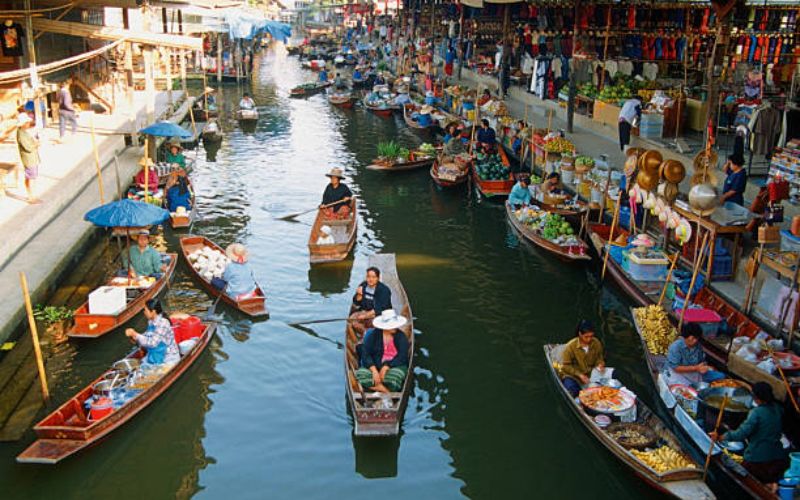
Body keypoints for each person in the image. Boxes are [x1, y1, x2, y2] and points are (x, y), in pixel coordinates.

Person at [709, 382, 788, 486]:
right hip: (778, 456)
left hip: (758, 459)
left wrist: (720, 437)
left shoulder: (756, 413)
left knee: (745, 478)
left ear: (756, 398)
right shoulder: (778, 409)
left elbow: (741, 434)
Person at [355, 309, 410, 393]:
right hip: (375, 365)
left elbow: (402, 356)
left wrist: (386, 367)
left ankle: (374, 386)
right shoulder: (373, 335)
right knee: (360, 374)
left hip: (394, 366)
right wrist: (374, 370)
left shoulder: (401, 337)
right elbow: (366, 354)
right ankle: (385, 390)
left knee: (395, 378)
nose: (394, 327)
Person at [125, 299, 180, 366]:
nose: (144, 312)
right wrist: (135, 337)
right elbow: (147, 337)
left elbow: (153, 343)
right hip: (155, 355)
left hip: (168, 358)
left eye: (145, 310)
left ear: (153, 312)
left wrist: (136, 334)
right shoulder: (151, 322)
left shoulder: (163, 323)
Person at [559, 320, 605, 397]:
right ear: (580, 334)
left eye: (591, 336)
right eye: (586, 337)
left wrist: (600, 364)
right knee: (573, 390)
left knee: (616, 374)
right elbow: (566, 366)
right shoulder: (570, 347)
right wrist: (580, 375)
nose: (589, 339)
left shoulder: (596, 342)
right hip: (574, 376)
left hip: (591, 373)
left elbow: (599, 357)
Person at [350, 266, 393, 336]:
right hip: (365, 311)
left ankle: (370, 334)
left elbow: (380, 308)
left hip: (380, 314)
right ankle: (366, 333)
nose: (370, 279)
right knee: (351, 320)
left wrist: (365, 316)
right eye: (368, 277)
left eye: (373, 277)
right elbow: (356, 302)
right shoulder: (363, 285)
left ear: (378, 278)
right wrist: (359, 295)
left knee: (377, 325)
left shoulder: (384, 290)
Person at [15, 113, 41, 204]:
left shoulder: (24, 132)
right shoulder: (21, 134)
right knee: (31, 177)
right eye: (27, 122)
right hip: (29, 159)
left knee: (32, 177)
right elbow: (28, 147)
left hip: (32, 158)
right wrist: (36, 144)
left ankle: (32, 195)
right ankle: (31, 196)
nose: (28, 124)